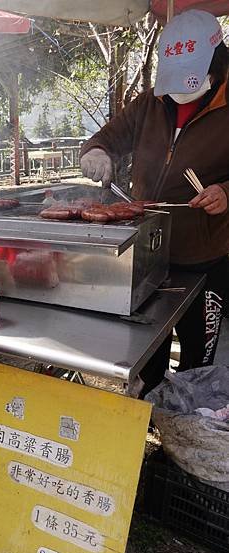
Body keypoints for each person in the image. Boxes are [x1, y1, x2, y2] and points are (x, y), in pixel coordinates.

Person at [79, 9, 229, 397]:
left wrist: (226, 192)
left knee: (198, 360)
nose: (178, 90)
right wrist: (97, 152)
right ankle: (144, 421)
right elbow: (107, 138)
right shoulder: (150, 104)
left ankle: (187, 434)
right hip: (148, 255)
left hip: (205, 257)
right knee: (148, 354)